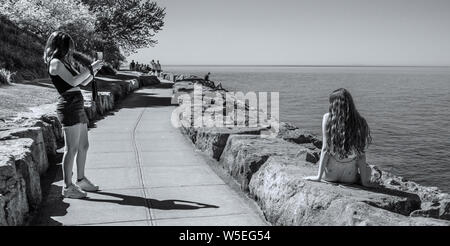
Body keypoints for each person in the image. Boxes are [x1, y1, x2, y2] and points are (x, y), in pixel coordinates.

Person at [43, 31, 103, 199]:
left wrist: (95, 69)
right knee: (72, 148)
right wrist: (92, 66)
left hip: (76, 104)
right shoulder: (55, 63)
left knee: (84, 145)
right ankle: (68, 186)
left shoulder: (64, 62)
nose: (72, 49)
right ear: (62, 45)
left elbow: (83, 82)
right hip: (68, 105)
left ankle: (81, 179)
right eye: (69, 45)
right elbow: (74, 82)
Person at [303, 88, 379, 187]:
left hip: (329, 176)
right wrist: (365, 182)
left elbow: (325, 149)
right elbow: (361, 155)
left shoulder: (327, 118)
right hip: (349, 178)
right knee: (369, 168)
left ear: (334, 104)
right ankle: (369, 176)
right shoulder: (360, 121)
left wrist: (318, 177)